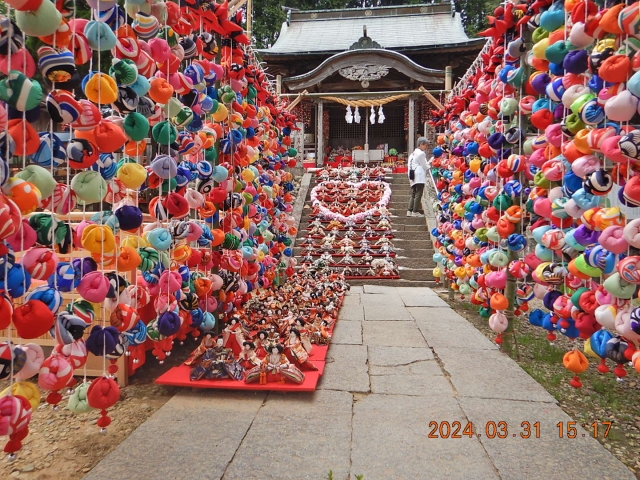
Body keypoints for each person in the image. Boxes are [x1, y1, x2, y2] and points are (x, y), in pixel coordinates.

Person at [407, 137, 430, 217]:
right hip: (419, 175)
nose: (426, 147)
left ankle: (409, 210)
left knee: (414, 193)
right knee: (418, 193)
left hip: (412, 174)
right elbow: (425, 166)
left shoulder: (412, 153)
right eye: (425, 145)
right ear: (421, 145)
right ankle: (415, 211)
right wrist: (430, 164)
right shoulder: (421, 153)